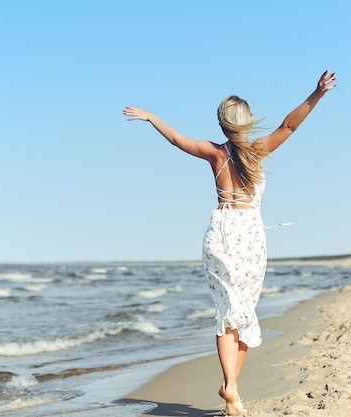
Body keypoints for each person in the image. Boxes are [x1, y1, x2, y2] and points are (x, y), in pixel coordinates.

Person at [123, 71, 336, 415]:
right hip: (250, 235)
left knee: (226, 314)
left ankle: (230, 386)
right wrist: (316, 95)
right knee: (244, 314)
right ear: (246, 122)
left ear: (222, 125)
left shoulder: (215, 153)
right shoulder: (257, 151)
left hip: (220, 233)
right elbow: (289, 126)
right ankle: (231, 386)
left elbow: (177, 139)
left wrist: (151, 118)